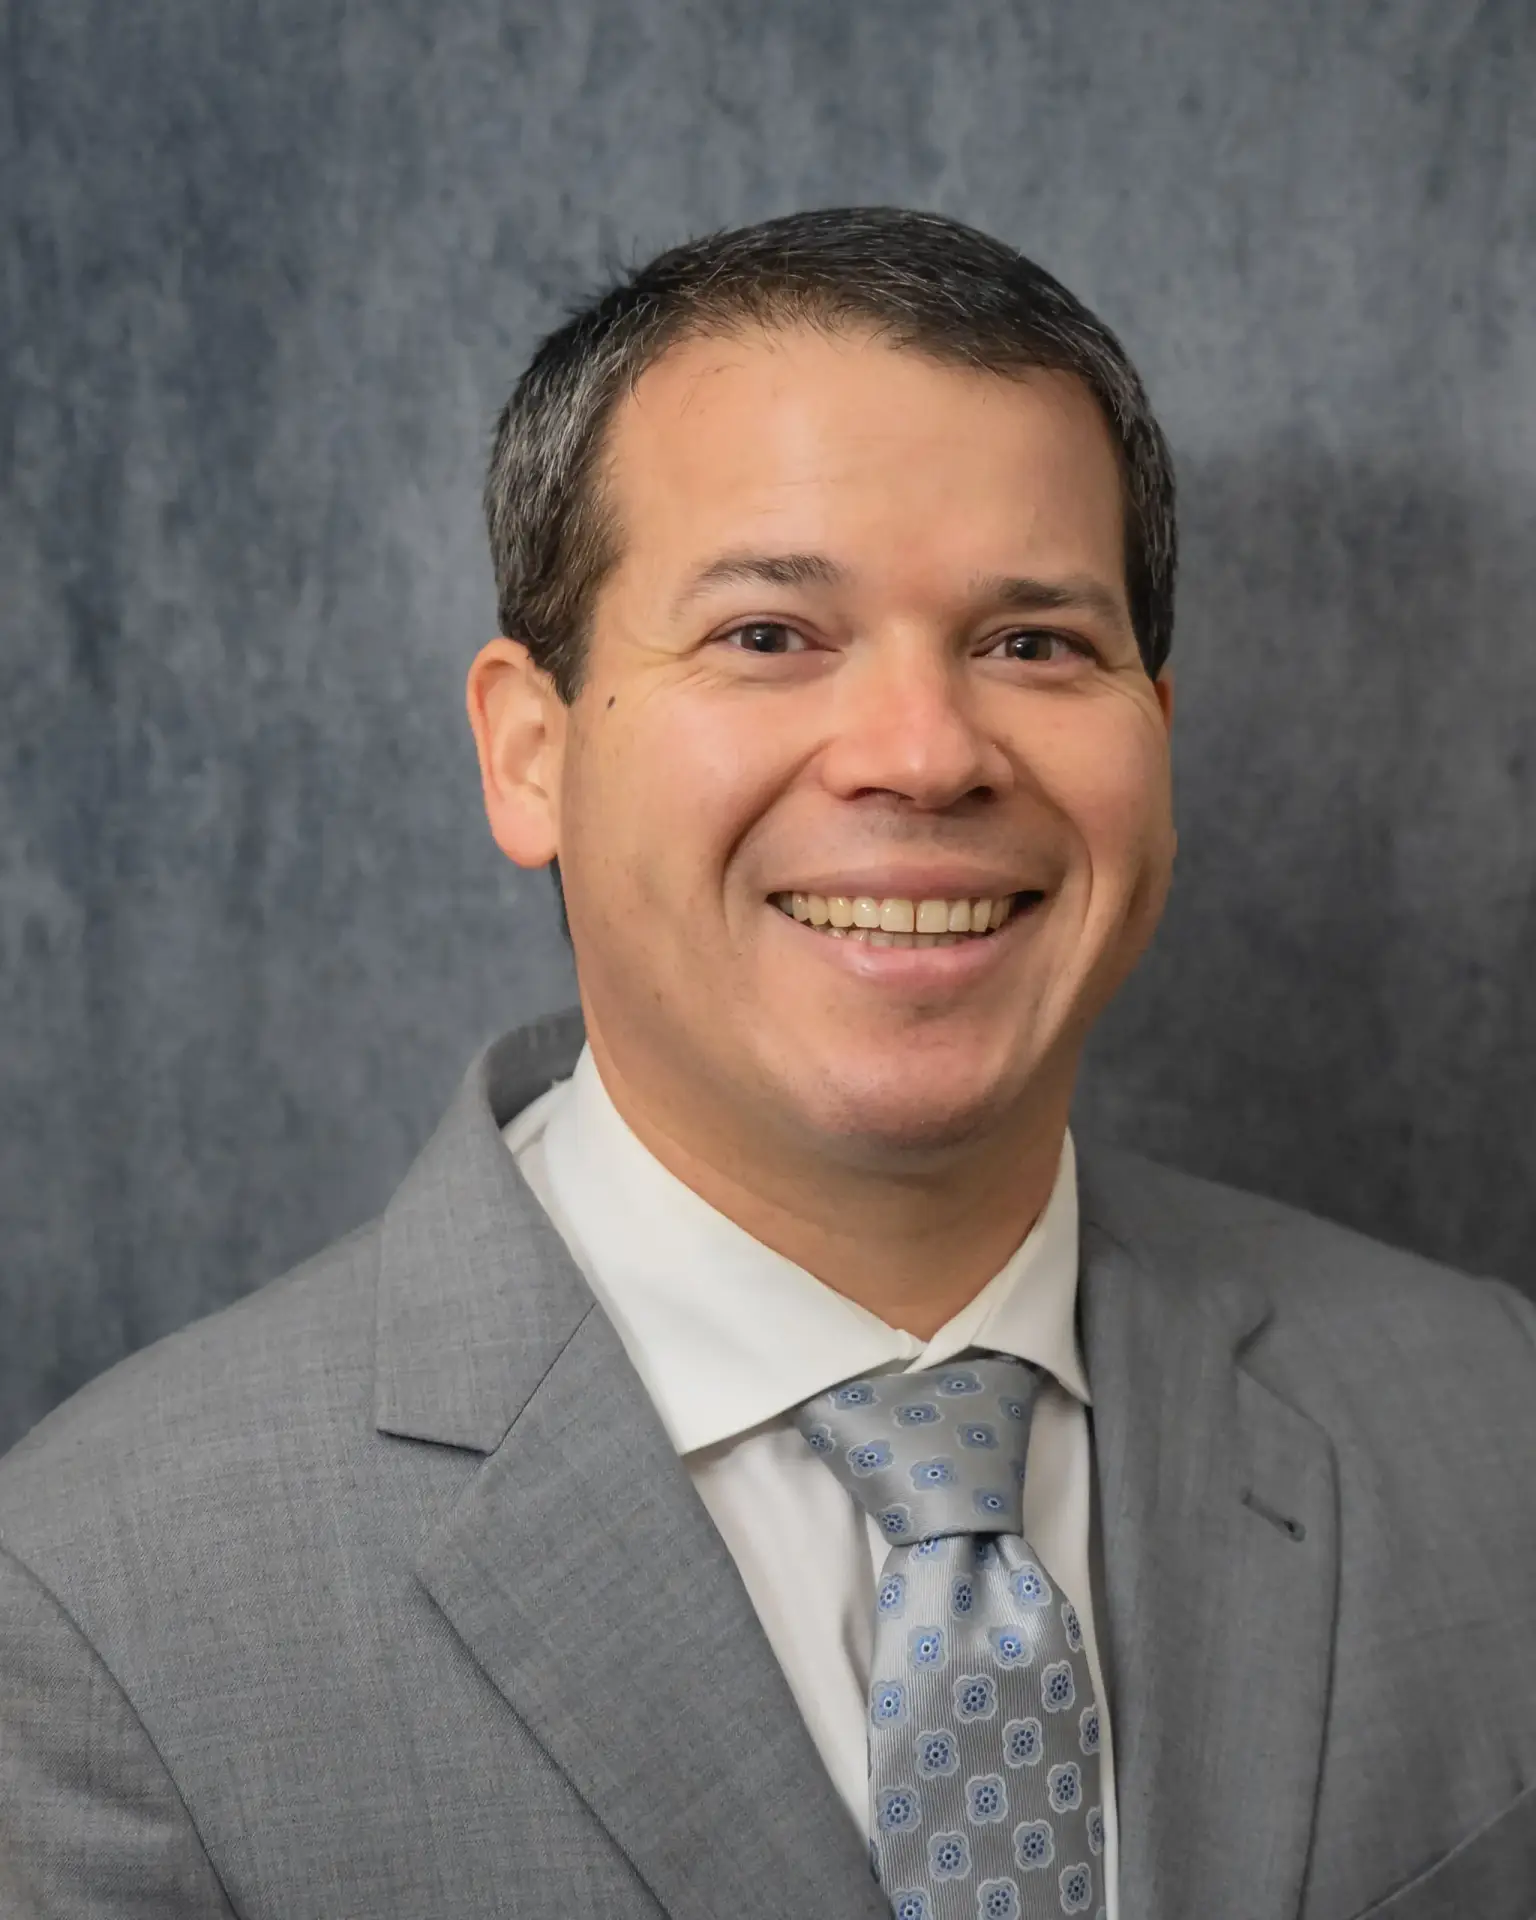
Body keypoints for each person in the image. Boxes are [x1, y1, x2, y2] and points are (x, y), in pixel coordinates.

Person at [1, 207, 1531, 1920]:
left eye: (1034, 643)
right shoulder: (98, 1612)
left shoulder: (1491, 1423)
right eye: (769, 635)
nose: (925, 754)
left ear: (1153, 747)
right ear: (528, 754)